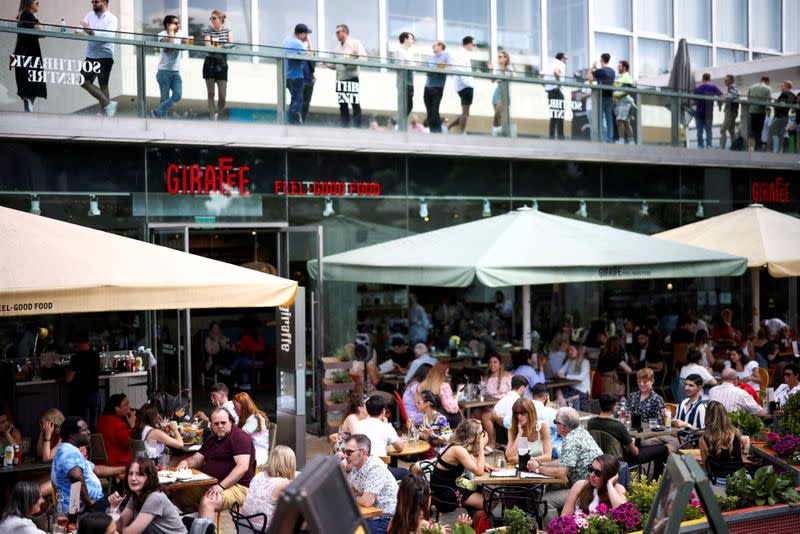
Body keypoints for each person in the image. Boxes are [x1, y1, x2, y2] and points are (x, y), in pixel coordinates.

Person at [176, 407, 255, 519]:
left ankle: (205, 527)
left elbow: (242, 467)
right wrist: (186, 462)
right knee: (179, 496)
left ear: (231, 422)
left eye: (223, 422)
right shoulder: (211, 439)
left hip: (238, 486)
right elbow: (197, 459)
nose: (220, 426)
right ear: (211, 425)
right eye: (216, 423)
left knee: (208, 502)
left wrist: (221, 486)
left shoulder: (239, 437)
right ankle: (200, 525)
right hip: (211, 483)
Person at [530, 407, 602, 518]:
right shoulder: (582, 432)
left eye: (555, 422)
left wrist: (537, 469)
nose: (554, 424)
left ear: (563, 427)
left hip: (588, 489)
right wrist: (542, 464)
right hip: (593, 484)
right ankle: (562, 520)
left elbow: (562, 473)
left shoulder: (570, 440)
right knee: (551, 487)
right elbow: (566, 460)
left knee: (544, 502)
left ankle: (554, 529)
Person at [51, 416, 124, 513]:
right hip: (87, 508)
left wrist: (124, 468)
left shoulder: (67, 449)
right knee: (123, 511)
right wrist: (88, 502)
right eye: (84, 430)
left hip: (89, 504)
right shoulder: (70, 452)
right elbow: (76, 477)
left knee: (119, 503)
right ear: (72, 434)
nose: (89, 432)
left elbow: (96, 469)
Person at [587, 393, 668, 479]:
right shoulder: (618, 426)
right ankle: (656, 483)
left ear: (599, 405)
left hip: (600, 459)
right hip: (620, 461)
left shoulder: (591, 423)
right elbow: (635, 452)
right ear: (614, 407)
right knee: (663, 449)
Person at [430, 419, 492, 522]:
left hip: (449, 487)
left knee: (488, 497)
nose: (483, 435)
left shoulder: (458, 445)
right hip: (444, 492)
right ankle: (474, 528)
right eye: (481, 433)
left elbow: (475, 463)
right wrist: (481, 446)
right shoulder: (458, 449)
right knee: (489, 501)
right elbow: (479, 470)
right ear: (472, 436)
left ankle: (472, 524)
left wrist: (485, 465)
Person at [344, 434, 398, 534]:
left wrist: (353, 497)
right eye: (344, 451)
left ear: (364, 453)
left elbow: (366, 501)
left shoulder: (375, 467)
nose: (345, 455)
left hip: (386, 518)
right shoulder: (356, 465)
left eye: (349, 452)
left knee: (352, 531)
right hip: (369, 515)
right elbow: (345, 491)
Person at [115, 457, 184, 534]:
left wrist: (118, 530)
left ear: (150, 477)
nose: (133, 478)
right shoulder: (136, 495)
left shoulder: (155, 497)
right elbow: (118, 526)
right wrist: (114, 507)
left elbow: (130, 532)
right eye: (130, 474)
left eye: (140, 474)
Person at [240, 445, 296, 532]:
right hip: (261, 529)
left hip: (244, 525)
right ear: (290, 464)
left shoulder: (258, 475)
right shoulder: (283, 484)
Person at [79, 0, 118, 116]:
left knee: (103, 84)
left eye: (96, 2)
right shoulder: (90, 14)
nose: (93, 4)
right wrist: (79, 30)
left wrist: (91, 32)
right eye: (92, 2)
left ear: (105, 2)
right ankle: (108, 105)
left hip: (105, 55)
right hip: (91, 55)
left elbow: (108, 35)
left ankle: (105, 112)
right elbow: (81, 27)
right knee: (83, 81)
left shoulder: (112, 18)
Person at [561, 454, 627, 517]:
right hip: (578, 527)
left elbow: (622, 512)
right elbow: (565, 515)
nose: (592, 475)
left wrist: (609, 483)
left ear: (609, 475)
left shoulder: (618, 489)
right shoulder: (580, 485)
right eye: (591, 469)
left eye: (597, 473)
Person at [700, 401, 746, 485]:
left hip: (719, 481)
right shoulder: (736, 433)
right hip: (741, 479)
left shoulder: (704, 439)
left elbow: (707, 466)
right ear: (725, 415)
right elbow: (739, 457)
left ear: (707, 416)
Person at [151, 15, 188, 118]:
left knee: (178, 94)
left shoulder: (181, 33)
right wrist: (171, 32)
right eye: (175, 23)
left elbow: (187, 45)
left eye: (178, 23)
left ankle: (157, 111)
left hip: (176, 72)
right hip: (163, 72)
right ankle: (162, 119)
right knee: (164, 98)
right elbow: (169, 47)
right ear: (168, 25)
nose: (178, 25)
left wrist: (184, 40)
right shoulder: (161, 35)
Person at [13, 0, 46, 112]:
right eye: (36, 2)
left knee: (28, 84)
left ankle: (28, 109)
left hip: (23, 54)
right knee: (32, 84)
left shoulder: (23, 14)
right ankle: (29, 109)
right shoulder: (27, 14)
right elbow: (42, 31)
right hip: (30, 55)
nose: (39, 3)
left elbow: (19, 38)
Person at [333, 24, 367, 128]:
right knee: (342, 105)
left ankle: (357, 127)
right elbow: (334, 65)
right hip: (340, 79)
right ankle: (345, 128)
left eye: (338, 32)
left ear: (345, 32)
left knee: (354, 103)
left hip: (351, 78)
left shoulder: (355, 43)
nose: (337, 35)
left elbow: (364, 58)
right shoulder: (337, 49)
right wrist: (322, 64)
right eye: (336, 33)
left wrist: (349, 62)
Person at [202, 10, 233, 121]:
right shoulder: (207, 31)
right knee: (211, 93)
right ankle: (212, 117)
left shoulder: (227, 31)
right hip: (210, 63)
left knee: (222, 96)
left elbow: (232, 46)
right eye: (211, 18)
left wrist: (221, 47)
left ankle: (218, 114)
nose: (212, 20)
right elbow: (208, 47)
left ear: (221, 19)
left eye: (214, 18)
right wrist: (223, 46)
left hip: (222, 64)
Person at [65, 335, 101, 430]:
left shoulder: (76, 358)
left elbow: (69, 378)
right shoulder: (96, 355)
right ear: (88, 342)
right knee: (94, 424)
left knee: (83, 425)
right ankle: (94, 443)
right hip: (95, 392)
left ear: (77, 343)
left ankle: (86, 444)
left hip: (82, 394)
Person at [505, 397, 552, 464]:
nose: (519, 416)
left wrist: (523, 461)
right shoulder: (513, 429)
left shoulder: (543, 427)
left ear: (530, 412)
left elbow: (548, 457)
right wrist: (519, 435)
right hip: (521, 469)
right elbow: (509, 457)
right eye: (516, 413)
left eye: (523, 413)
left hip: (539, 469)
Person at [282, 23, 311, 125]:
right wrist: (308, 44)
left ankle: (290, 121)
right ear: (302, 34)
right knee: (297, 99)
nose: (306, 37)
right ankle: (294, 122)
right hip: (296, 75)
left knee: (293, 98)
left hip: (286, 74)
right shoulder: (299, 44)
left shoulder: (286, 40)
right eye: (306, 35)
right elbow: (309, 55)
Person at [96, 393, 135, 466]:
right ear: (117, 408)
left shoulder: (101, 419)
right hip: (117, 461)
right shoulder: (118, 424)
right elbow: (130, 444)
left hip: (101, 461)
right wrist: (132, 426)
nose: (129, 407)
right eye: (126, 405)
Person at [419, 362, 462, 428]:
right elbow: (451, 408)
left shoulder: (423, 385)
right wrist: (457, 397)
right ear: (443, 373)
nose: (447, 375)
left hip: (428, 418)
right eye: (447, 372)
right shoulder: (444, 386)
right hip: (445, 420)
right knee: (459, 413)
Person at [232, 391, 270, 466]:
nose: (234, 409)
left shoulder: (254, 418)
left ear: (244, 407)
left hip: (258, 455)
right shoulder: (245, 418)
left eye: (236, 407)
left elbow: (240, 436)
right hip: (249, 451)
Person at [447, 36, 475, 134]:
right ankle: (461, 132)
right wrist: (467, 83)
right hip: (465, 86)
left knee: (466, 112)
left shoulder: (461, 53)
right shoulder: (462, 54)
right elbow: (460, 69)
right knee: (466, 112)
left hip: (463, 85)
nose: (474, 47)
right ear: (469, 43)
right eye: (473, 44)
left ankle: (448, 126)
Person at [423, 41, 451, 134]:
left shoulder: (446, 55)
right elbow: (426, 71)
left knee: (435, 111)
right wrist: (431, 70)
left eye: (434, 45)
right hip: (427, 87)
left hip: (438, 87)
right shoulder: (430, 58)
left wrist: (437, 67)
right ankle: (433, 133)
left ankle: (438, 133)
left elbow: (449, 67)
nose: (432, 47)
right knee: (429, 112)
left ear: (440, 46)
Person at [555, 343, 590, 411]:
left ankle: (564, 410)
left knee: (562, 398)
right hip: (571, 388)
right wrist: (558, 373)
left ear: (578, 350)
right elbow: (561, 371)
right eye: (569, 350)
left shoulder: (585, 362)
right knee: (558, 391)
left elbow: (581, 377)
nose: (569, 352)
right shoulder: (570, 360)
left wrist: (565, 376)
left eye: (572, 350)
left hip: (582, 390)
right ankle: (563, 411)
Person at [693, 73, 722, 149]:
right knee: (709, 130)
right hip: (709, 113)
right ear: (709, 79)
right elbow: (721, 95)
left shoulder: (698, 89)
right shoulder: (713, 88)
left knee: (699, 131)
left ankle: (700, 145)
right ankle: (709, 145)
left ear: (702, 79)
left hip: (699, 113)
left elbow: (693, 100)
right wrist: (719, 105)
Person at [593, 53, 616, 143]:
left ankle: (601, 137)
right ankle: (609, 138)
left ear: (601, 60)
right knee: (609, 118)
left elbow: (591, 76)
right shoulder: (613, 72)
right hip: (609, 96)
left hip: (601, 96)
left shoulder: (601, 71)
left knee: (599, 117)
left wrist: (593, 66)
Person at [544, 52, 567, 140]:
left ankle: (551, 137)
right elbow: (556, 72)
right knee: (560, 115)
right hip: (557, 91)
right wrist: (559, 83)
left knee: (553, 115)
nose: (566, 61)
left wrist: (546, 86)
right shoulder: (560, 63)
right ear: (561, 58)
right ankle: (561, 138)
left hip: (550, 92)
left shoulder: (550, 64)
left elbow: (540, 75)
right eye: (565, 58)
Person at [490, 50, 513, 136]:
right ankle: (497, 130)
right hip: (498, 90)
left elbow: (513, 76)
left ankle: (502, 131)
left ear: (505, 58)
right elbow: (492, 80)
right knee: (497, 114)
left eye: (500, 56)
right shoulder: (497, 68)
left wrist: (503, 69)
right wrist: (491, 70)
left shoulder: (509, 68)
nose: (498, 58)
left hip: (505, 91)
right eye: (498, 57)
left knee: (498, 113)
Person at [395, 31, 416, 120]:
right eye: (411, 39)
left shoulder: (410, 52)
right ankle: (398, 124)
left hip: (410, 82)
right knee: (405, 105)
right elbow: (400, 67)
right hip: (403, 82)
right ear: (405, 39)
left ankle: (399, 123)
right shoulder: (399, 51)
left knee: (409, 105)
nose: (412, 41)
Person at [613, 60, 635, 144]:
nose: (618, 68)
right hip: (619, 102)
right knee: (625, 122)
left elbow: (629, 90)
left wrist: (618, 96)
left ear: (624, 67)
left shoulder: (627, 77)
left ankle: (622, 141)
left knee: (619, 121)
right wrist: (614, 97)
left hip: (624, 102)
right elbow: (616, 88)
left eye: (619, 66)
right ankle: (631, 142)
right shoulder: (619, 77)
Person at [769, 81, 795, 152]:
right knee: (781, 134)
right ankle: (780, 150)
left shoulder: (784, 94)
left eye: (782, 85)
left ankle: (776, 151)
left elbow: (781, 105)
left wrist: (775, 105)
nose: (781, 86)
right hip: (786, 116)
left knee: (773, 130)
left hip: (779, 116)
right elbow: (793, 106)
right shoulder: (792, 95)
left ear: (786, 86)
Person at [747, 76, 771, 152]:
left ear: (760, 80)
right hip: (761, 112)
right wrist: (768, 113)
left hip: (752, 111)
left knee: (752, 130)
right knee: (759, 130)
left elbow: (749, 98)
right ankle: (757, 148)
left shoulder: (752, 87)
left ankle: (751, 147)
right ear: (767, 81)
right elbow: (768, 102)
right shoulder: (768, 89)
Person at [719, 74, 740, 150]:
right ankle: (734, 148)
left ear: (731, 80)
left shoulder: (732, 87)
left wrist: (724, 97)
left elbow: (734, 95)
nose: (725, 82)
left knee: (723, 129)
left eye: (726, 80)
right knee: (731, 130)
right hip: (731, 111)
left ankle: (722, 148)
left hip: (731, 111)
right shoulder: (730, 88)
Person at [300, 33, 316, 123]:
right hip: (301, 80)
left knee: (306, 103)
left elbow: (311, 57)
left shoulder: (309, 54)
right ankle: (297, 121)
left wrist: (309, 43)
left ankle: (303, 120)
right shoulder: (298, 51)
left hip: (309, 80)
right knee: (300, 101)